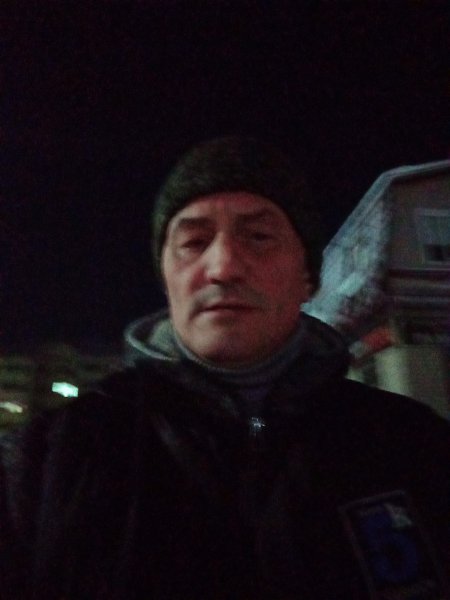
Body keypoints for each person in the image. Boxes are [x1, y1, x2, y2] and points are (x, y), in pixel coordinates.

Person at [1, 136, 449, 600]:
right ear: (167, 279)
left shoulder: (415, 447)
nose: (224, 267)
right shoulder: (44, 464)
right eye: (193, 242)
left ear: (309, 278)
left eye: (259, 237)